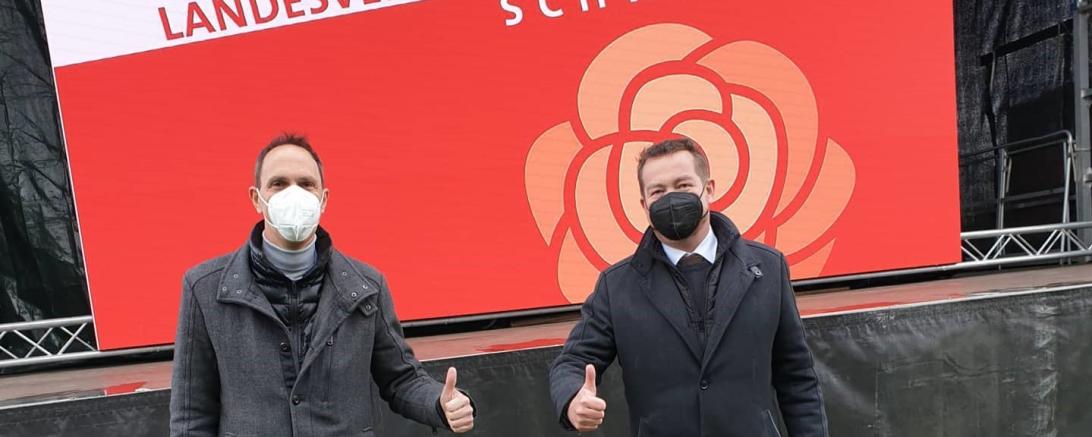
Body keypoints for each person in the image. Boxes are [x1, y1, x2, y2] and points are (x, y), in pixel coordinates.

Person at [169, 134, 474, 436]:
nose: (294, 194)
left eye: (306, 184)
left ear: (323, 199)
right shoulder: (204, 288)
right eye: (278, 183)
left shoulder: (367, 286)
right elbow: (191, 414)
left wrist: (440, 403)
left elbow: (402, 380)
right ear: (256, 199)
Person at [549, 138, 828, 436]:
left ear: (708, 189)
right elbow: (573, 361)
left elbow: (797, 378)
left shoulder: (768, 268)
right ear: (644, 204)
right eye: (658, 191)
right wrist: (572, 398)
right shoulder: (616, 286)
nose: (671, 198)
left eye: (683, 185)